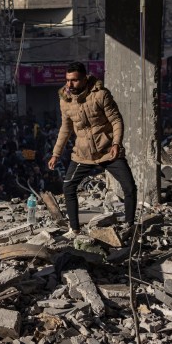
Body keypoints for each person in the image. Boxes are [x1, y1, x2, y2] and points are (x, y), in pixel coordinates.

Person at [48, 62, 137, 235]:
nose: (69, 85)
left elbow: (116, 120)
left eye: (73, 81)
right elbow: (65, 128)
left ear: (84, 78)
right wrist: (55, 154)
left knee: (129, 186)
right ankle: (74, 229)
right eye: (67, 80)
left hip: (107, 150)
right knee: (68, 187)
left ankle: (129, 225)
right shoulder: (65, 100)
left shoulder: (101, 95)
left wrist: (116, 143)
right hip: (83, 153)